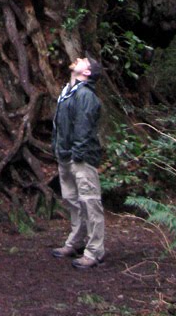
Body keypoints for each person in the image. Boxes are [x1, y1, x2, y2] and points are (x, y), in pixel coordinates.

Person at [51, 54, 105, 269]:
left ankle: (95, 251)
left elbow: (83, 128)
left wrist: (77, 155)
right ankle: (76, 241)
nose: (78, 58)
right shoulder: (68, 92)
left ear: (87, 72)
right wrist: (58, 149)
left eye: (84, 59)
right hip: (66, 155)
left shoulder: (85, 95)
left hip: (79, 157)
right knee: (73, 200)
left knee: (90, 202)